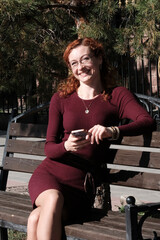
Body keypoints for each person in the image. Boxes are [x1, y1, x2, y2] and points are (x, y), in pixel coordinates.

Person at [27, 37, 155, 240]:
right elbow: (49, 148)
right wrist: (67, 145)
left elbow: (147, 120)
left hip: (79, 187)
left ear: (99, 59)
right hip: (49, 176)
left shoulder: (117, 96)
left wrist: (112, 131)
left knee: (36, 218)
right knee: (52, 198)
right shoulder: (61, 98)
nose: (80, 67)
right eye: (74, 63)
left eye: (85, 59)